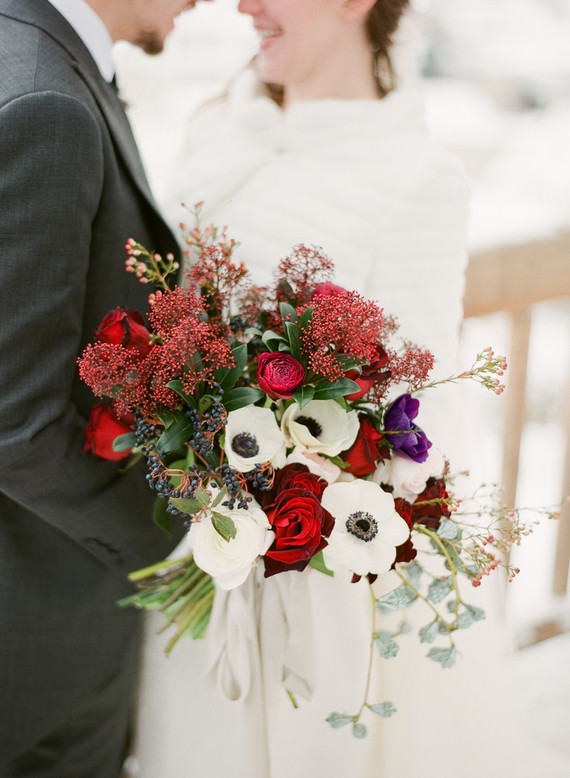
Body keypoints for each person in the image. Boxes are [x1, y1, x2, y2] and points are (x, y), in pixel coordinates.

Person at [134, 2, 570, 777]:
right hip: (200, 548)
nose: (244, 5)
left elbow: (425, 411)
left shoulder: (415, 176)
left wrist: (298, 475)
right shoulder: (216, 125)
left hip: (321, 579)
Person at [0, 1, 209, 775]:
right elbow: (13, 423)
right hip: (33, 634)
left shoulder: (32, 52)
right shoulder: (46, 100)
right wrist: (169, 538)